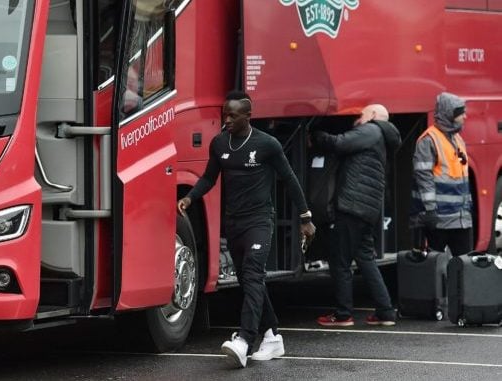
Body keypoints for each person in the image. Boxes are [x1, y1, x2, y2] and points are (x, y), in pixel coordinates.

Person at [177, 91, 316, 368]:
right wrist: (190, 197)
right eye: (224, 114)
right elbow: (208, 178)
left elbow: (289, 180)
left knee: (253, 275)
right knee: (249, 281)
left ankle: (243, 340)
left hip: (259, 222)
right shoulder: (219, 144)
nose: (226, 119)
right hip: (234, 222)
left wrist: (305, 217)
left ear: (248, 116)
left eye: (232, 115)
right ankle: (272, 335)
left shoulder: (268, 144)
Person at [311, 104, 401, 327]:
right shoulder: (381, 136)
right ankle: (385, 312)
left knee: (340, 261)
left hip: (353, 206)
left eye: (361, 115)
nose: (357, 119)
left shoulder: (371, 130)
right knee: (366, 259)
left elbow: (339, 143)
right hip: (367, 208)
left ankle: (343, 315)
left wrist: (314, 134)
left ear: (372, 116)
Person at [410, 92, 472, 256]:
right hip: (439, 220)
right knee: (435, 271)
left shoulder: (457, 139)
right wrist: (430, 211)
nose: (465, 116)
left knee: (464, 269)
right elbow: (424, 179)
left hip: (460, 220)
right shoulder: (429, 140)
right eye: (460, 113)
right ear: (449, 114)